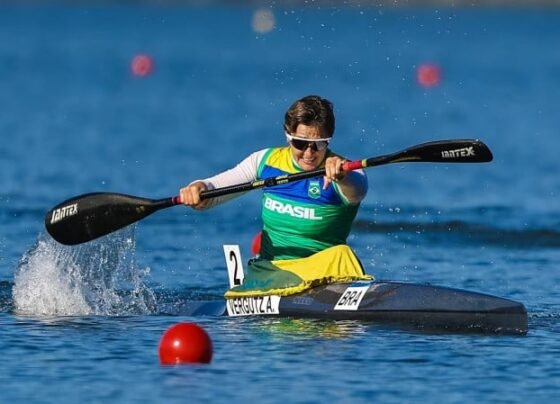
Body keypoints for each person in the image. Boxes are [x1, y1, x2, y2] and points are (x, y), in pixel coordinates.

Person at [180, 95, 370, 296]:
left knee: (342, 253)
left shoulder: (346, 170)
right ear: (288, 135)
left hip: (328, 270)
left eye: (319, 144)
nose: (309, 153)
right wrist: (197, 188)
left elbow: (358, 191)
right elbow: (212, 191)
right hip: (274, 271)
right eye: (300, 143)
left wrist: (342, 177)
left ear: (328, 140)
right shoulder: (265, 161)